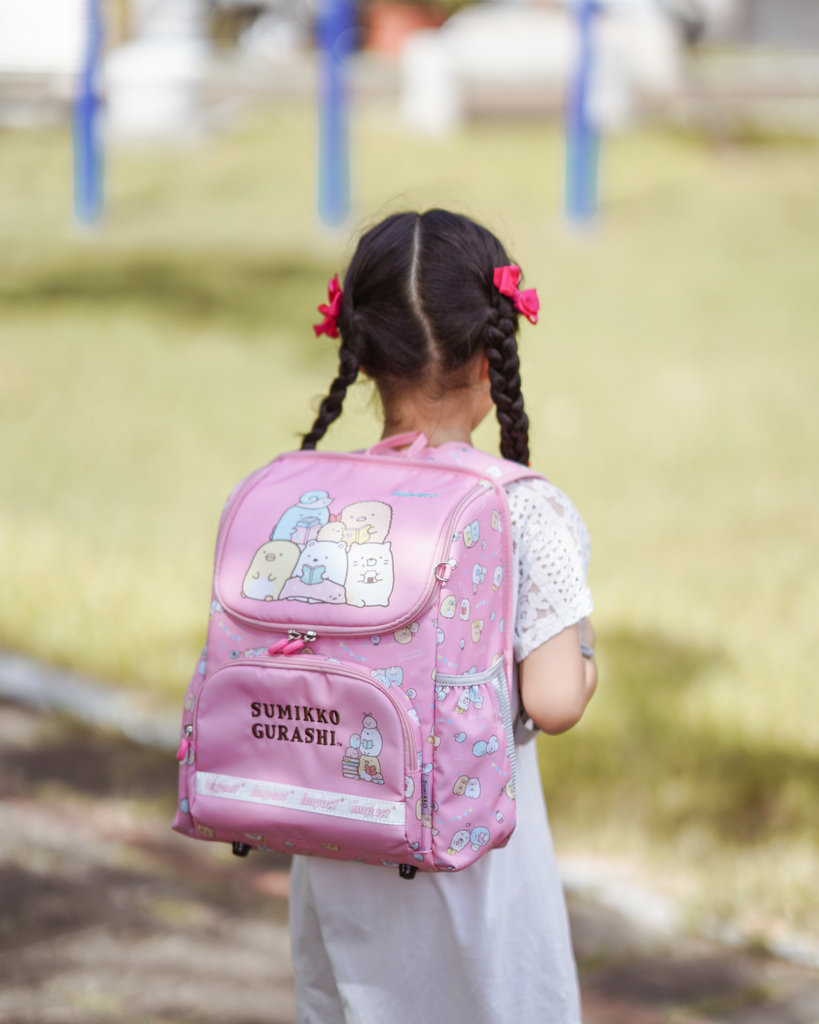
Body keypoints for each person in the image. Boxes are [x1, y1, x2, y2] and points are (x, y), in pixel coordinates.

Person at [290, 209, 597, 1024]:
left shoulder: (316, 498)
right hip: (471, 864)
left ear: (361, 357)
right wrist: (589, 664)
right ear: (492, 355)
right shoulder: (520, 508)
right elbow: (555, 700)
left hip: (340, 839)